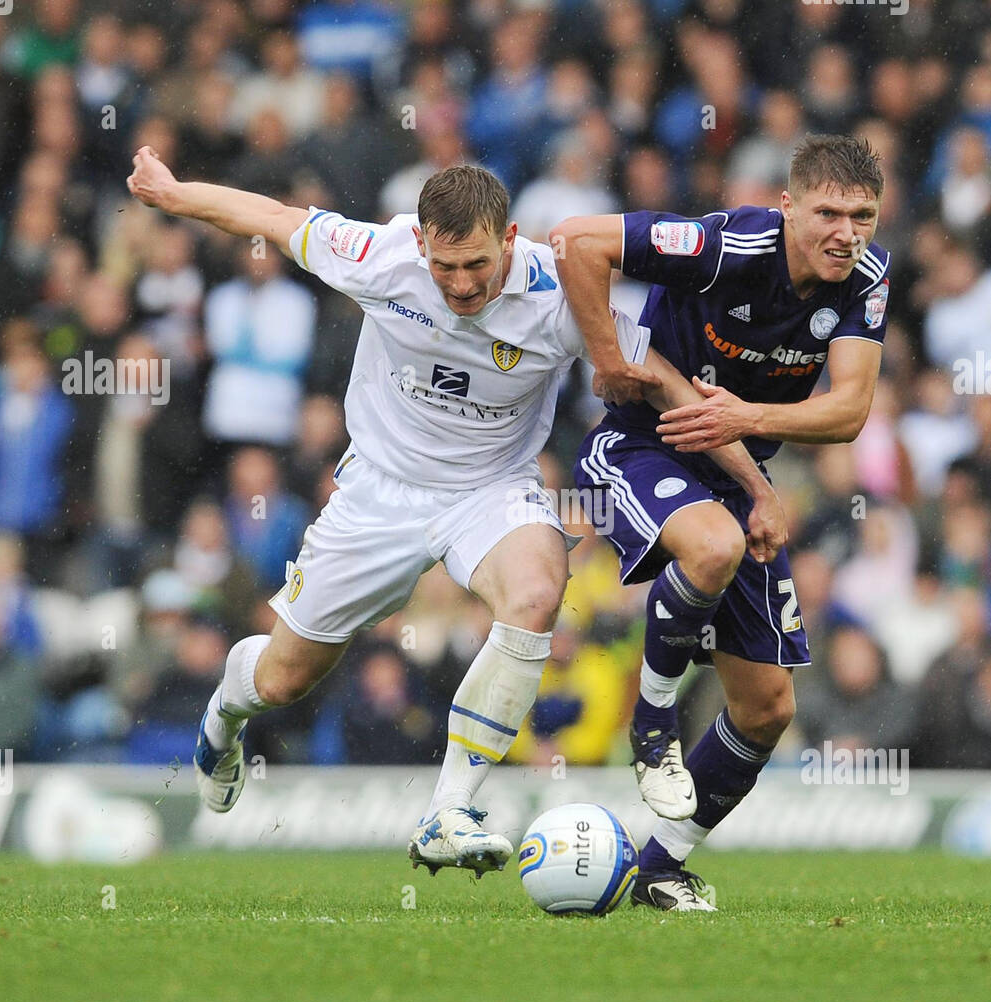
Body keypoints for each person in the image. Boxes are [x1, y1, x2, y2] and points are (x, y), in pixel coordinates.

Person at [126, 150, 779, 876]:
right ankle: (224, 714)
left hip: (491, 489)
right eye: (445, 267)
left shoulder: (559, 295)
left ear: (510, 239)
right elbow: (272, 218)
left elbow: (663, 382)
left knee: (537, 592)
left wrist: (756, 489)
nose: (462, 284)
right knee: (282, 680)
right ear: (420, 244)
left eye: (477, 265)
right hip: (379, 491)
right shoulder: (381, 256)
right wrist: (174, 193)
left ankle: (448, 810)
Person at [552, 134, 891, 910]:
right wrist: (609, 357)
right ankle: (651, 724)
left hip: (736, 474)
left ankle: (659, 869)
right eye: (829, 213)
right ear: (788, 207)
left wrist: (752, 446)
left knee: (767, 708)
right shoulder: (726, 246)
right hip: (641, 445)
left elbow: (849, 411)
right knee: (712, 545)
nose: (847, 233)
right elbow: (573, 241)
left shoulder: (867, 278)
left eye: (863, 216)